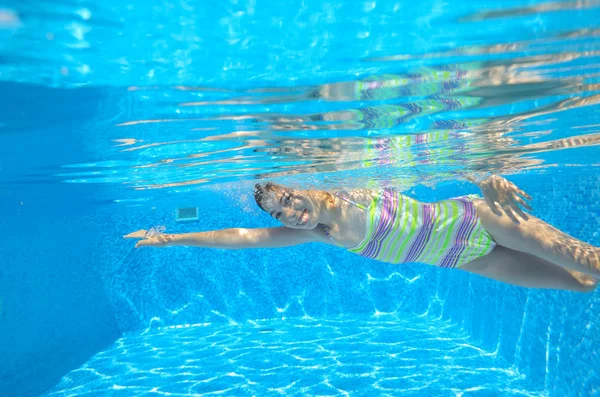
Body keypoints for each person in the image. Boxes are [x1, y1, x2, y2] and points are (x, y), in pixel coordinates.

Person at [124, 175, 599, 292]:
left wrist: (485, 176)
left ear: (306, 186)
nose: (289, 212)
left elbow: (440, 146)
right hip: (464, 259)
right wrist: (171, 238)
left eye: (288, 197)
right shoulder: (320, 234)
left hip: (475, 220)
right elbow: (243, 237)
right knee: (581, 284)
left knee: (589, 261)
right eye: (278, 212)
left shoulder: (351, 189)